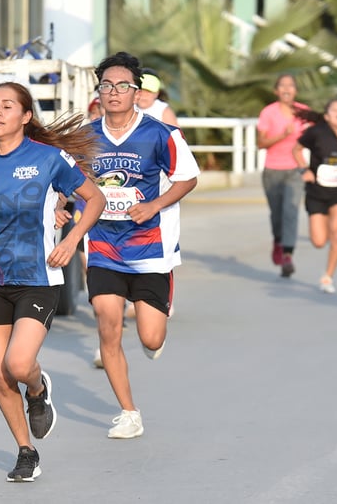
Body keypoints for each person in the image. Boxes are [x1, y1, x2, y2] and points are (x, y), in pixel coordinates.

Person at [0, 82, 105, 482]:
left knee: (18, 363)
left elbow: (95, 199)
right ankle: (26, 451)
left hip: (38, 277)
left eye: (7, 106)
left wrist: (73, 238)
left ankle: (38, 389)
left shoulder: (49, 158)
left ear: (25, 117)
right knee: (1, 375)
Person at [86, 51, 199, 439]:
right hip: (102, 246)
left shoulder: (160, 134)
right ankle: (128, 412)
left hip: (151, 250)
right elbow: (69, 183)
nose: (114, 92)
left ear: (137, 92)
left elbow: (187, 178)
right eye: (106, 85)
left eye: (122, 86)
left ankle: (157, 319)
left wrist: (153, 204)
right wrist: (63, 209)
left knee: (151, 338)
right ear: (98, 91)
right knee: (108, 324)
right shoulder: (86, 137)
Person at [293, 99, 337, 293]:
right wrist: (303, 170)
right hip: (316, 191)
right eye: (334, 110)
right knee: (318, 241)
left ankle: (328, 276)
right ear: (326, 116)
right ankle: (326, 264)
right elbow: (296, 150)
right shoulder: (316, 133)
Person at [257, 74, 311, 277]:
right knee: (277, 213)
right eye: (282, 86)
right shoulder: (268, 113)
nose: (287, 89)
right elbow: (261, 143)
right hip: (272, 171)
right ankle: (278, 240)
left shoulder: (303, 112)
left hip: (295, 170)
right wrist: (283, 135)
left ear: (295, 90)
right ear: (276, 91)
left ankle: (288, 255)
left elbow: (318, 134)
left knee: (291, 210)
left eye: (291, 85)